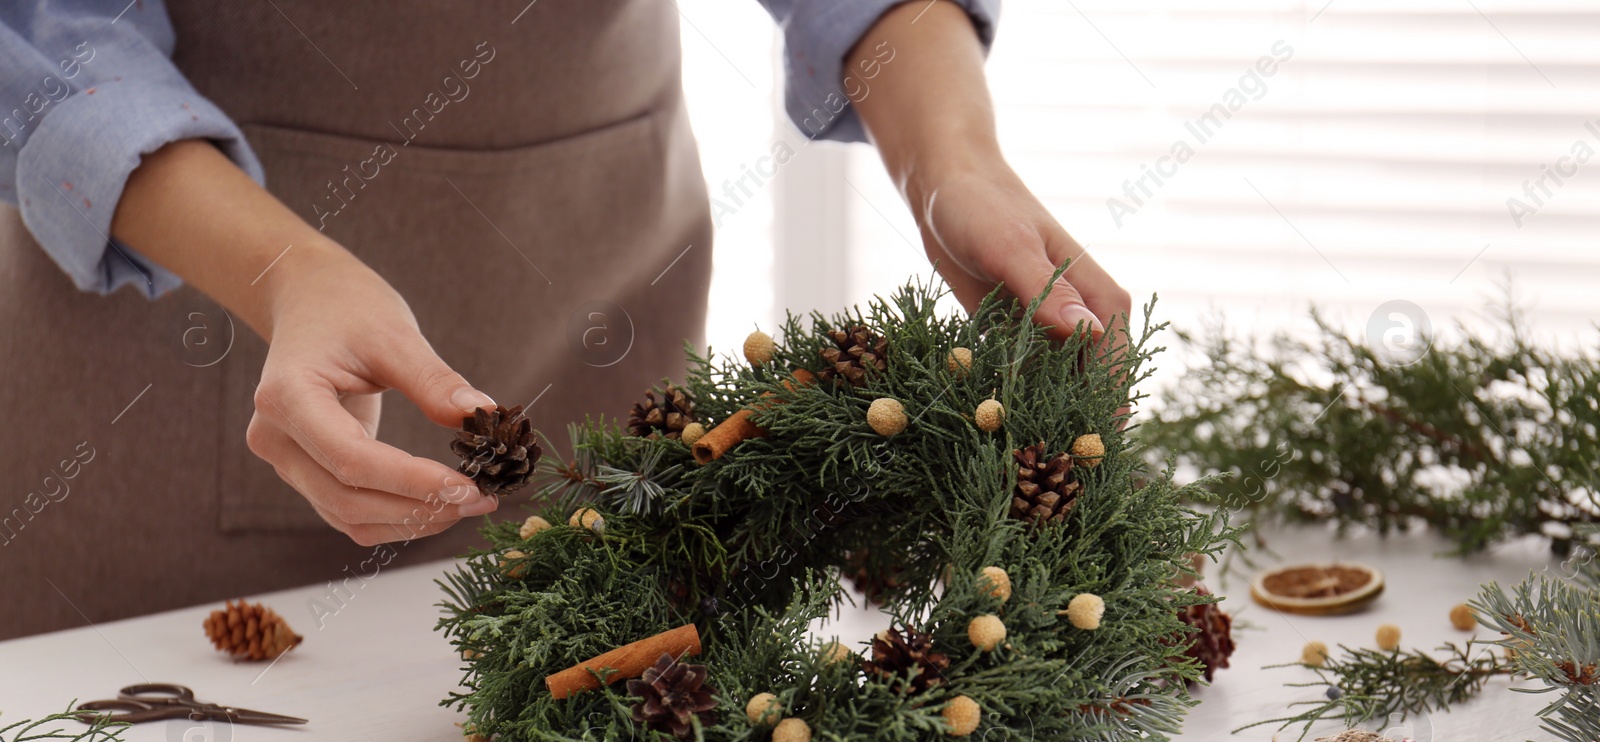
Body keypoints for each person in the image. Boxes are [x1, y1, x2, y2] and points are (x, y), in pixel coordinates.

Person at [0, 0, 1129, 639]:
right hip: (180, 331)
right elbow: (51, 42)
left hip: (608, 270)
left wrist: (951, 160)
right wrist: (286, 271)